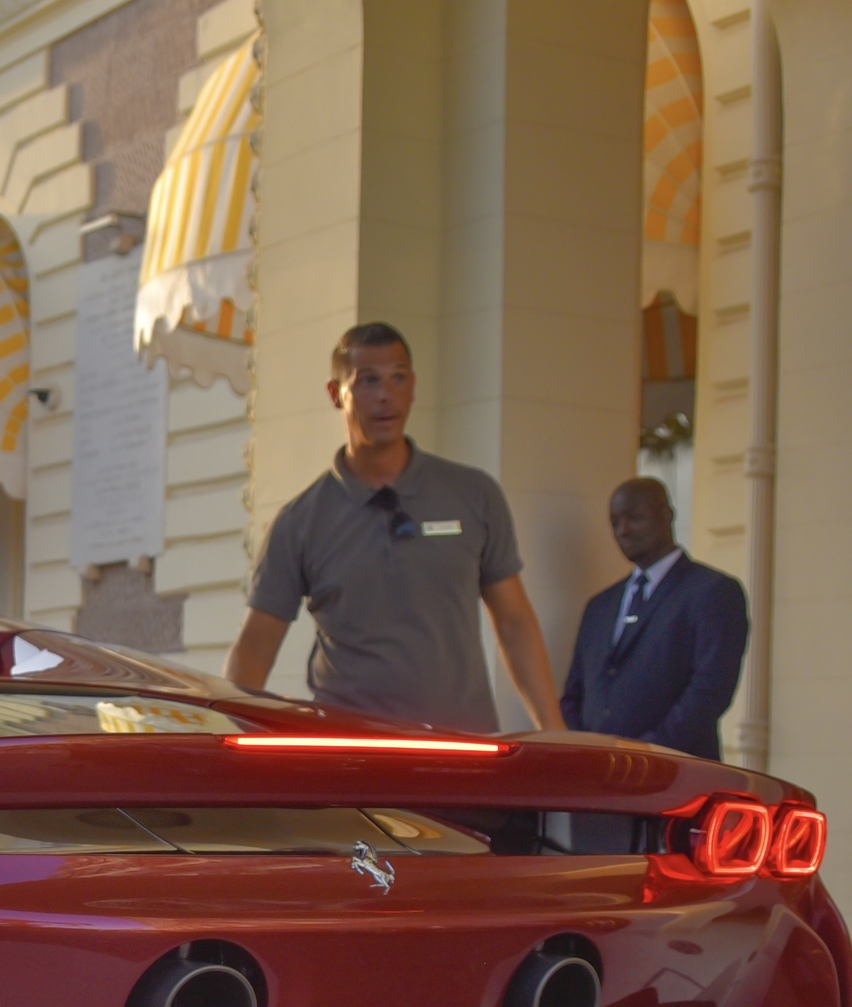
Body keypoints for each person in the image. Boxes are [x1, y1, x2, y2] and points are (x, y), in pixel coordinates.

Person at [226, 322, 564, 734]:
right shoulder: (301, 520)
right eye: (368, 381)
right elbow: (255, 646)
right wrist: (229, 741)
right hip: (353, 756)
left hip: (462, 748)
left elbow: (514, 623)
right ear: (337, 394)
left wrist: (555, 730)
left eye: (398, 378)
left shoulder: (474, 494)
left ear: (414, 386)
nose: (386, 395)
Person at [560, 477, 749, 760]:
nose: (623, 530)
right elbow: (574, 693)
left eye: (634, 518)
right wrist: (588, 753)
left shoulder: (712, 592)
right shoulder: (600, 606)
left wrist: (647, 752)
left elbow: (710, 690)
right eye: (614, 522)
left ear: (667, 515)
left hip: (675, 777)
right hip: (596, 781)